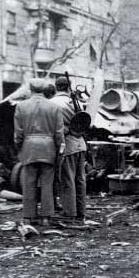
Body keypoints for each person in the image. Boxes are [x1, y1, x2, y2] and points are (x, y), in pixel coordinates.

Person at [13, 78, 64, 226]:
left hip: (29, 148)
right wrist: (59, 149)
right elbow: (59, 133)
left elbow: (18, 133)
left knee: (29, 182)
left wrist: (19, 147)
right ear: (44, 90)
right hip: (48, 148)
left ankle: (28, 217)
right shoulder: (54, 107)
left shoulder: (21, 106)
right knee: (48, 183)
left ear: (31, 89)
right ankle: (46, 217)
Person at [50, 76, 87, 223]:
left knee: (68, 179)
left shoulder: (52, 103)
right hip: (81, 144)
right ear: (68, 86)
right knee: (80, 179)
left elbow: (55, 127)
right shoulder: (77, 102)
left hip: (67, 144)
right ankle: (81, 212)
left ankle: (70, 213)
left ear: (56, 87)